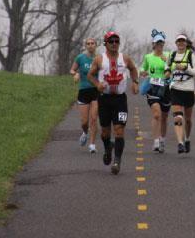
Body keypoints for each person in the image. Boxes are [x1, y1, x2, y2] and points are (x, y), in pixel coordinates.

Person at [88, 30, 139, 175]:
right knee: (105, 132)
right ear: (105, 44)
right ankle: (107, 148)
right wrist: (97, 84)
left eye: (117, 41)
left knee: (119, 130)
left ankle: (117, 160)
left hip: (120, 100)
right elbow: (90, 75)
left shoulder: (125, 58)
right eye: (111, 41)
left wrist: (135, 82)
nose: (114, 44)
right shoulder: (99, 59)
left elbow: (133, 69)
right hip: (104, 99)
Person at [165, 34, 195, 154]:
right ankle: (180, 143)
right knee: (178, 117)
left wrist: (185, 68)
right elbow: (167, 67)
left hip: (188, 90)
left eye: (182, 41)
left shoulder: (191, 55)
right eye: (178, 41)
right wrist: (168, 72)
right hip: (175, 89)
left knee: (188, 120)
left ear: (186, 43)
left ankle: (187, 139)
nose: (180, 43)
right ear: (176, 43)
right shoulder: (172, 55)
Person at [140, 29, 171, 153]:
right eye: (157, 43)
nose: (159, 45)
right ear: (153, 44)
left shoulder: (168, 56)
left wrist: (168, 66)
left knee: (164, 117)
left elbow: (172, 69)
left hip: (165, 88)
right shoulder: (148, 57)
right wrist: (142, 71)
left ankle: (162, 139)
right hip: (152, 88)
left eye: (161, 43)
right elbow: (143, 68)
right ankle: (156, 141)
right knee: (156, 114)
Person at [70, 38, 99, 153]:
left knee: (93, 119)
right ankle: (85, 133)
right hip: (83, 91)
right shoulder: (80, 58)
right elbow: (72, 70)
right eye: (88, 44)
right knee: (84, 122)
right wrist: (76, 74)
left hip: (96, 91)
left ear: (96, 45)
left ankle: (92, 145)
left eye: (92, 43)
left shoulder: (100, 58)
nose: (90, 45)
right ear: (85, 46)